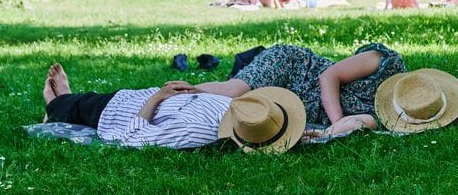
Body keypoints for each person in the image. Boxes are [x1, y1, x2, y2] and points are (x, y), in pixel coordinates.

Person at [192, 43, 407, 136]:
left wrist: (329, 133)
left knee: (238, 110)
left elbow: (356, 124)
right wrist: (337, 121)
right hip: (295, 67)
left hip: (293, 101)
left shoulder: (390, 117)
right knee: (234, 91)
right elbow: (329, 76)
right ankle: (176, 92)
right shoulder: (386, 63)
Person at [41, 63, 232, 149]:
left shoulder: (195, 132)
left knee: (81, 106)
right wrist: (194, 91)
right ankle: (64, 102)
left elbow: (134, 137)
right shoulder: (240, 109)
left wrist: (157, 98)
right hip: (132, 99)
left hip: (114, 114)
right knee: (89, 100)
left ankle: (56, 104)